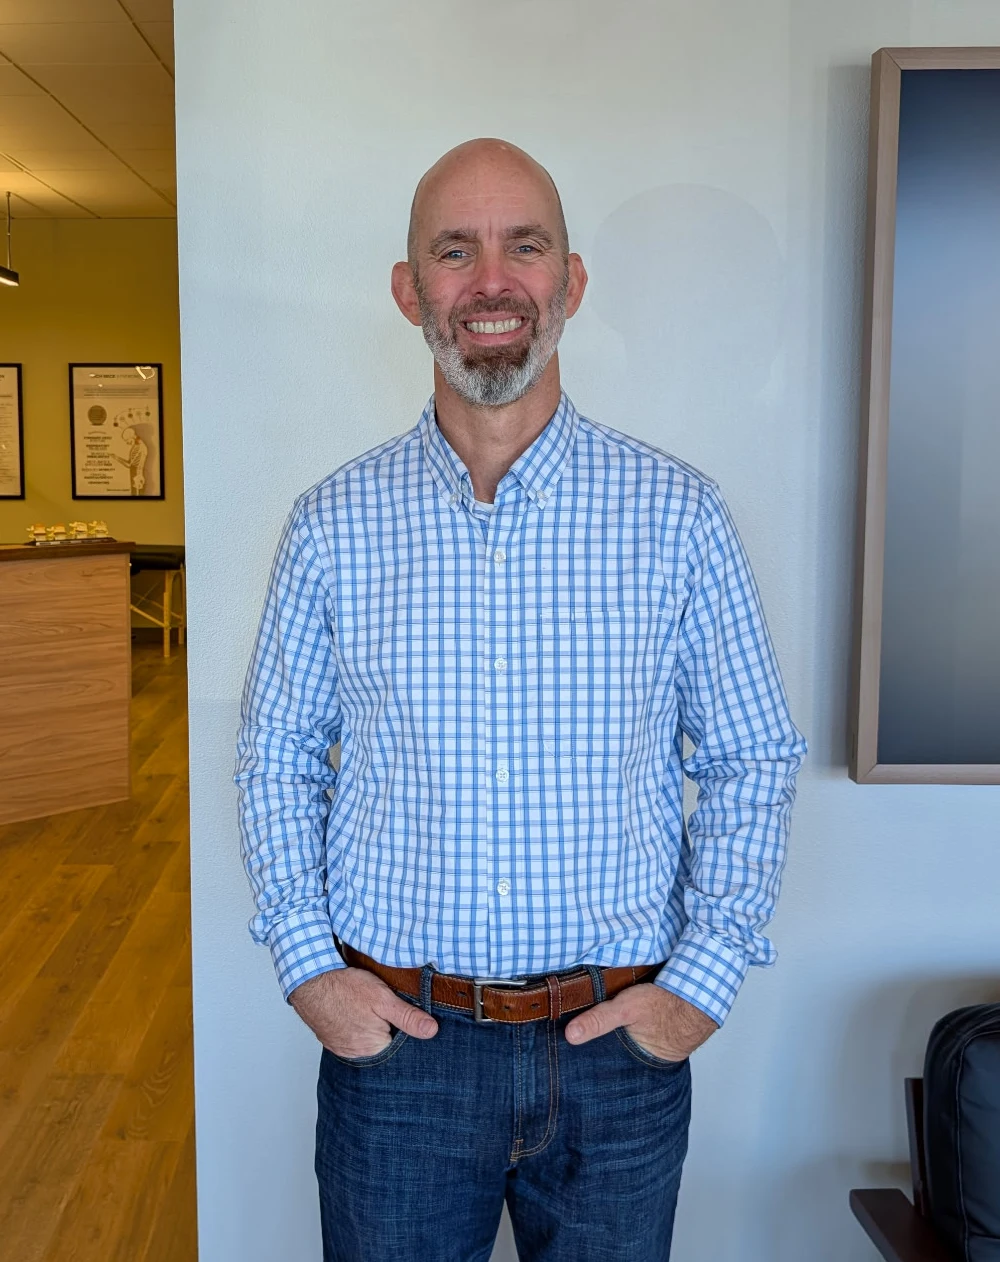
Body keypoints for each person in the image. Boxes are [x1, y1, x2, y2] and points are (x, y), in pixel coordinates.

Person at [235, 137, 807, 1262]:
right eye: (455, 251)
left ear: (570, 282)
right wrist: (310, 967)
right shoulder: (331, 526)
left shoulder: (678, 518)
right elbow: (278, 757)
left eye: (523, 245)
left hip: (617, 1057)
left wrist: (697, 986)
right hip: (398, 1057)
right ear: (410, 291)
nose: (490, 280)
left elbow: (751, 756)